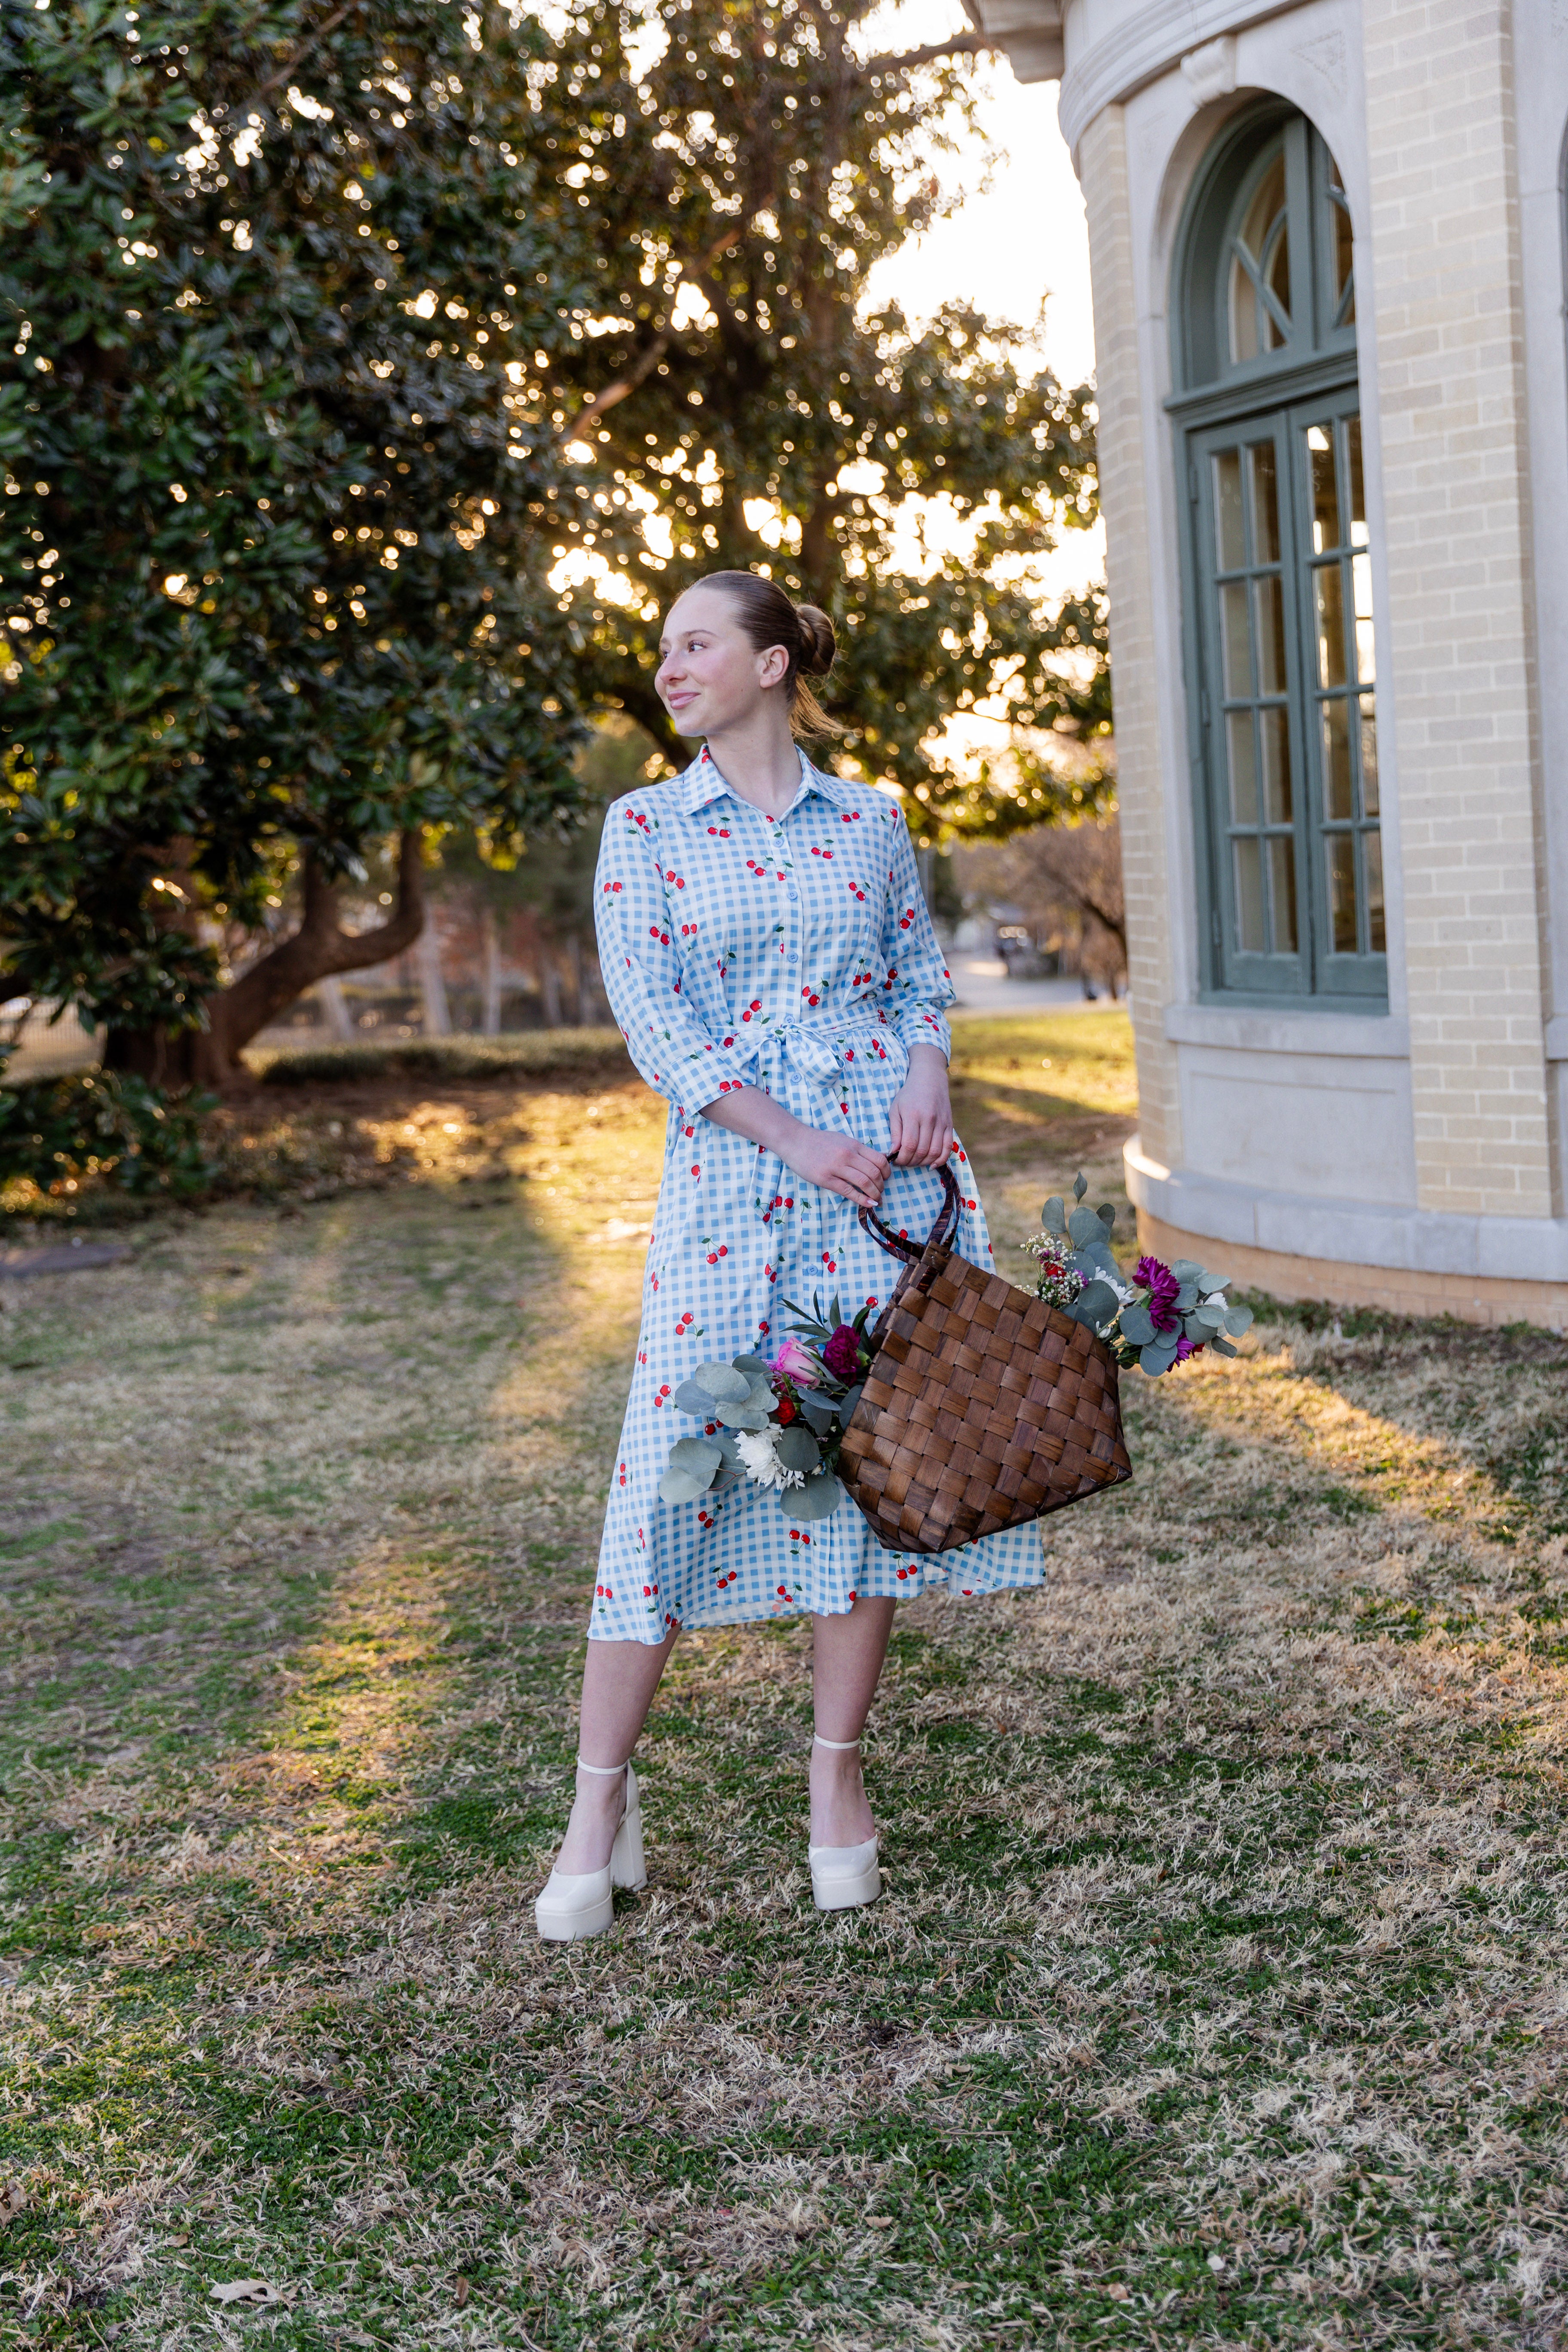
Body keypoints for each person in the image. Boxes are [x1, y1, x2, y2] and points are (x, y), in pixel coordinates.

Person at [535, 570, 1049, 1940]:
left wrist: (928, 1070)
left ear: (771, 664)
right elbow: (659, 1027)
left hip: (882, 1186)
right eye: (663, 650)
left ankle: (836, 1782)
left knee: (862, 1470)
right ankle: (600, 1800)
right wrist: (796, 1138)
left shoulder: (874, 821)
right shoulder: (642, 827)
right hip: (737, 1185)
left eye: (696, 644)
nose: (669, 667)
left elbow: (915, 975)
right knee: (664, 1483)